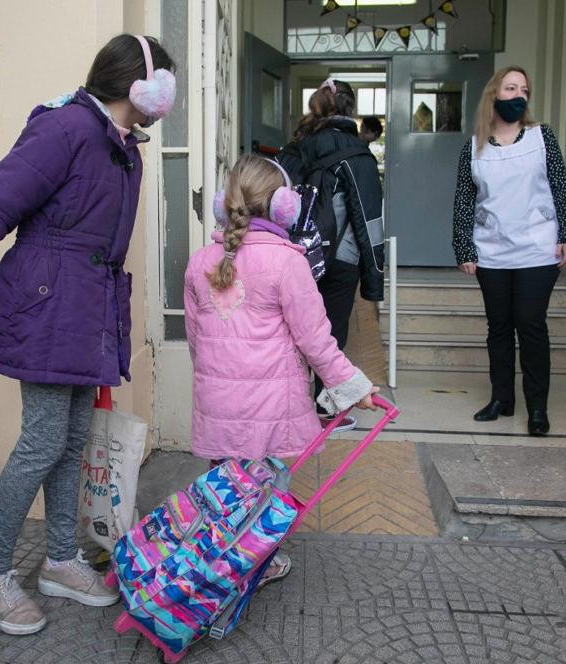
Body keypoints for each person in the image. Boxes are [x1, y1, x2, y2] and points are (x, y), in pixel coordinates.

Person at [0, 34, 176, 634]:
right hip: (48, 304)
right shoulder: (65, 130)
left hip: (87, 309)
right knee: (42, 440)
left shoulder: (119, 144)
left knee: (73, 436)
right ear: (138, 83)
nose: (170, 94)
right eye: (165, 78)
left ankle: (60, 559)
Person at [184, 154, 380, 582]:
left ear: (225, 203)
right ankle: (259, 562)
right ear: (284, 207)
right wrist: (353, 388)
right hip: (270, 409)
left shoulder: (201, 261)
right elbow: (316, 340)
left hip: (219, 404)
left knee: (222, 488)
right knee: (266, 488)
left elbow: (196, 340)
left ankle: (215, 559)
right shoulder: (287, 262)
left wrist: (216, 383)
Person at [452, 66, 566, 436]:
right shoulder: (473, 147)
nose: (519, 95)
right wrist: (464, 246)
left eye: (524, 89)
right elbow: (464, 200)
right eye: (511, 88)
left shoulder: (542, 138)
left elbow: (560, 187)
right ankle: (501, 399)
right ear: (494, 94)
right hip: (491, 251)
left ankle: (537, 407)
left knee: (531, 324)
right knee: (499, 329)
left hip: (538, 250)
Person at [280, 78, 384, 433]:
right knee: (330, 332)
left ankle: (290, 410)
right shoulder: (358, 154)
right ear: (349, 110)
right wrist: (373, 281)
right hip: (339, 258)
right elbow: (369, 221)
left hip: (293, 254)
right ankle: (325, 410)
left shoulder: (293, 149)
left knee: (292, 332)